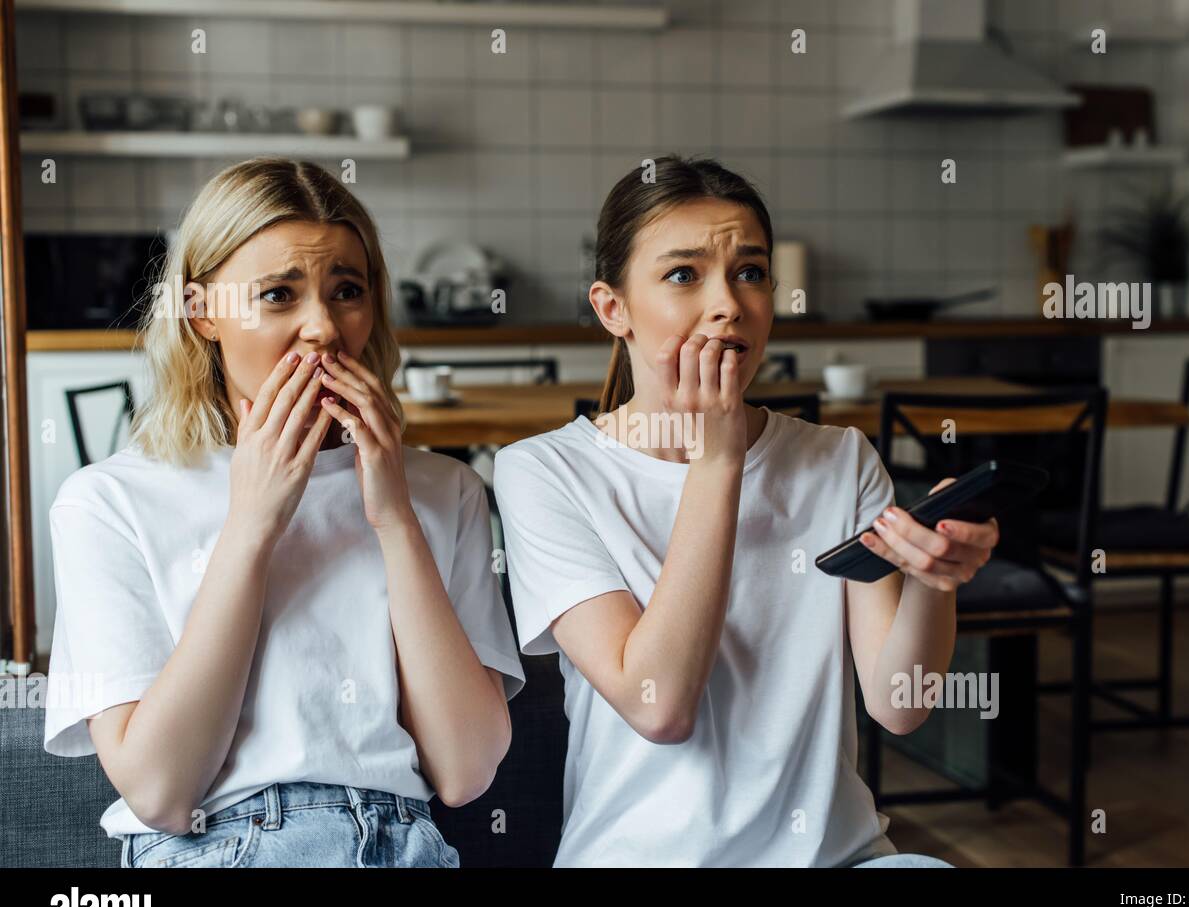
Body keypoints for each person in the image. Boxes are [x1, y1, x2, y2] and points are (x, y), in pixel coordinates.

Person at [493, 155, 997, 867]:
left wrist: (934, 581)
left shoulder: (841, 459)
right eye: (683, 274)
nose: (729, 303)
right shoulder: (544, 471)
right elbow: (658, 705)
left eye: (751, 272)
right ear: (613, 309)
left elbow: (900, 703)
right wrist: (719, 459)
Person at [43, 158, 524, 868]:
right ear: (201, 311)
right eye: (278, 294)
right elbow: (161, 790)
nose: (323, 328)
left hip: (404, 842)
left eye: (347, 291)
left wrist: (394, 518)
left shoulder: (441, 491)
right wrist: (252, 525)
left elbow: (465, 770)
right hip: (215, 844)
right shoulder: (106, 502)